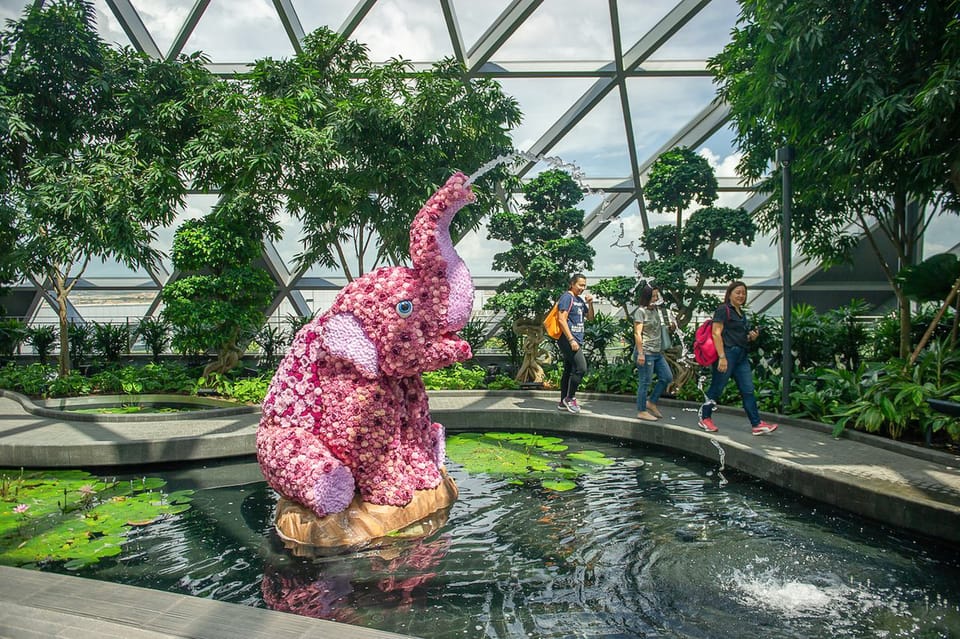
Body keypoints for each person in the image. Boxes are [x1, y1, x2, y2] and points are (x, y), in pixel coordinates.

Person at [698, 281, 778, 435]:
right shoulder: (723, 310)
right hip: (727, 354)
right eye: (738, 292)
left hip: (741, 355)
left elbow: (738, 336)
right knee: (717, 388)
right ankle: (705, 417)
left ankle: (756, 424)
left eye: (744, 293)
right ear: (730, 294)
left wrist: (751, 337)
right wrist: (722, 357)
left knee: (748, 390)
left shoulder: (741, 313)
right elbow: (716, 333)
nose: (741, 295)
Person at [633, 284, 673, 422]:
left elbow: (657, 329)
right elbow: (637, 334)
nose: (655, 298)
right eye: (653, 296)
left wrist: (670, 327)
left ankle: (652, 402)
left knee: (667, 377)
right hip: (646, 351)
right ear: (646, 296)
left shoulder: (656, 310)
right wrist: (641, 353)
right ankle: (641, 410)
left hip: (657, 352)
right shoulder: (640, 311)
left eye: (657, 296)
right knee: (645, 381)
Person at [556, 273, 594, 414]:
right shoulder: (567, 297)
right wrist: (571, 339)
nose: (582, 288)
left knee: (568, 370)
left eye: (584, 285)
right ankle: (570, 398)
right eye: (580, 285)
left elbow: (590, 318)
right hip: (568, 340)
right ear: (572, 284)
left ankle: (562, 401)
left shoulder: (579, 300)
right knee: (581, 368)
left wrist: (590, 303)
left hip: (577, 339)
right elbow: (561, 319)